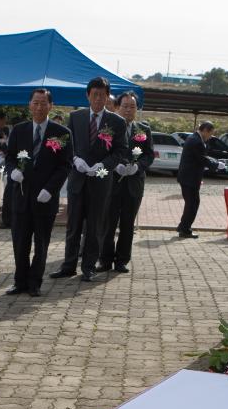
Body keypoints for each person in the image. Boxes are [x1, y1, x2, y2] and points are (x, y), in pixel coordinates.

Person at [51, 77, 128, 281]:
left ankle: (89, 267)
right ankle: (68, 265)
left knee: (95, 226)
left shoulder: (116, 121)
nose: (98, 99)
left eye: (102, 95)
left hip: (101, 180)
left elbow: (121, 150)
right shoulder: (76, 117)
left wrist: (104, 165)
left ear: (107, 97)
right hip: (78, 178)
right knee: (73, 225)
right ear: (88, 95)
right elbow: (67, 144)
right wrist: (74, 159)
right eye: (94, 95)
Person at [4, 88, 70, 297]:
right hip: (21, 196)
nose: (39, 107)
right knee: (20, 242)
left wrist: (50, 190)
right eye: (36, 103)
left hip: (45, 198)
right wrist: (13, 170)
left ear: (51, 105)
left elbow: (65, 165)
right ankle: (19, 281)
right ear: (29, 104)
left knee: (41, 243)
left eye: (44, 103)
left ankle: (35, 283)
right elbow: (9, 158)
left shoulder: (61, 133)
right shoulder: (18, 130)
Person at [100, 92, 154, 273]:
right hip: (112, 183)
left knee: (127, 224)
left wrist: (137, 167)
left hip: (134, 184)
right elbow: (103, 152)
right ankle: (105, 260)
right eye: (125, 106)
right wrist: (114, 166)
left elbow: (148, 155)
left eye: (132, 106)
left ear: (137, 109)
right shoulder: (108, 127)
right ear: (117, 107)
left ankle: (122, 260)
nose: (129, 110)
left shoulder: (143, 129)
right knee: (108, 223)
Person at [177, 121, 215, 239]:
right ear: (205, 130)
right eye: (210, 134)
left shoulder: (195, 138)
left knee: (192, 203)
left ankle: (183, 227)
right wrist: (216, 165)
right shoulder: (196, 141)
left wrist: (214, 161)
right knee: (192, 204)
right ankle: (185, 229)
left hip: (188, 177)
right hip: (190, 178)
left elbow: (203, 156)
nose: (210, 137)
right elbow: (202, 159)